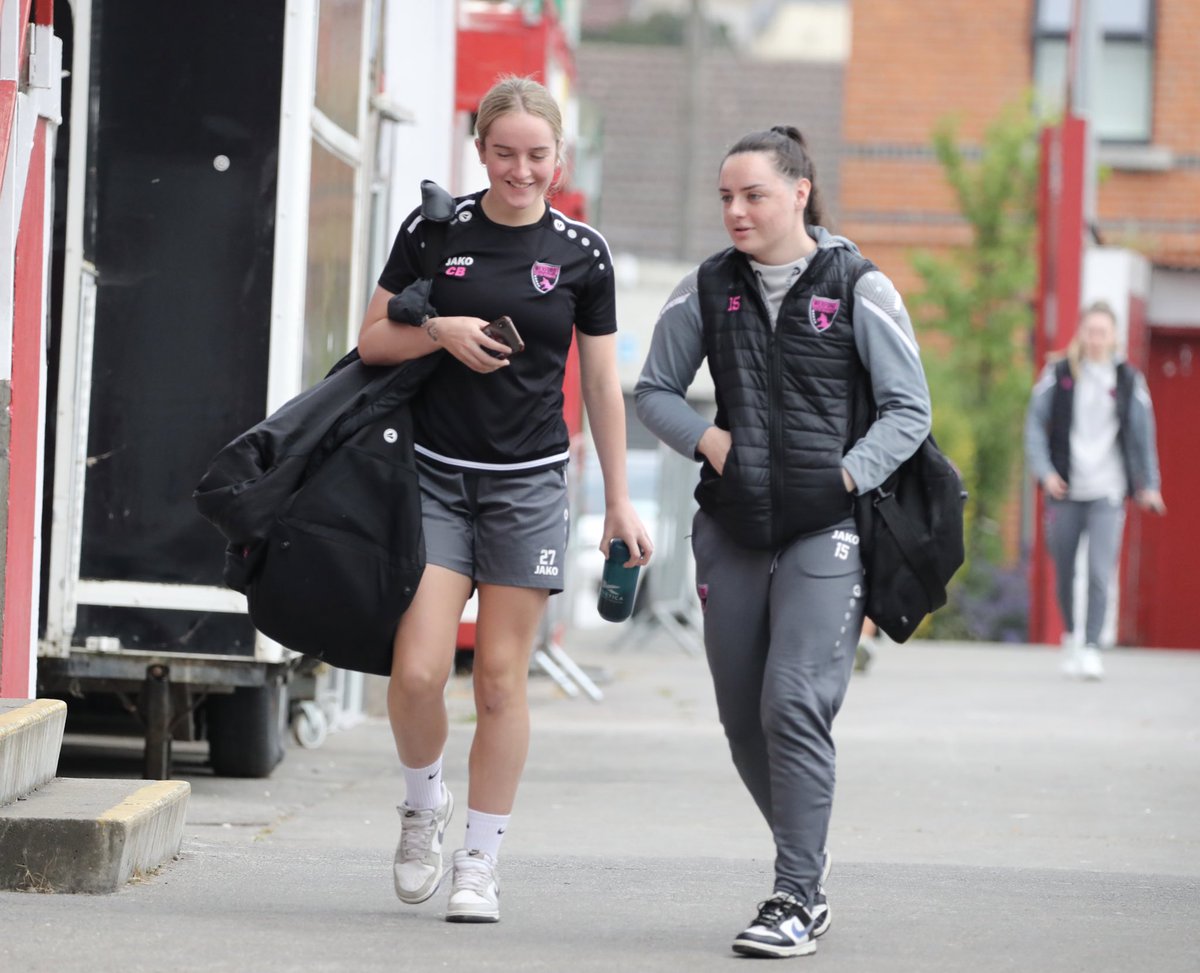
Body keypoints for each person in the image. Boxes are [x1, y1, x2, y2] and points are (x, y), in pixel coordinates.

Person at [357, 75, 652, 923]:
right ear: (480, 150)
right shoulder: (434, 229)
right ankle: (423, 805)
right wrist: (438, 330)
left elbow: (599, 376)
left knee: (497, 679)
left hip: (529, 485)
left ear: (559, 156)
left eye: (536, 155)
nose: (520, 170)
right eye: (503, 153)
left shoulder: (581, 253)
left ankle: (479, 862)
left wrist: (622, 501)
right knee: (416, 672)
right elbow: (373, 340)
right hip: (436, 475)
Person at [634, 126, 931, 958]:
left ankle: (794, 893)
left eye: (753, 194)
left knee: (792, 703)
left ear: (798, 192)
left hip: (825, 533)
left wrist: (845, 477)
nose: (735, 210)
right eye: (725, 196)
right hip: (731, 531)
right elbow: (654, 388)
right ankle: (809, 862)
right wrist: (706, 440)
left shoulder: (858, 284)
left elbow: (912, 409)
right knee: (741, 720)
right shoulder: (708, 288)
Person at [1024, 300, 1165, 681]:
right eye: (1091, 331)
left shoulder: (1128, 380)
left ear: (1114, 336)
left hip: (1108, 490)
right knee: (1066, 571)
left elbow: (1142, 433)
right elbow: (1035, 426)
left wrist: (1149, 485)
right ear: (1081, 333)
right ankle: (1073, 634)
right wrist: (1046, 472)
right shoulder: (1058, 374)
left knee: (1100, 571)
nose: (1096, 338)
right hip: (1066, 488)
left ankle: (1090, 647)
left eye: (1103, 332)